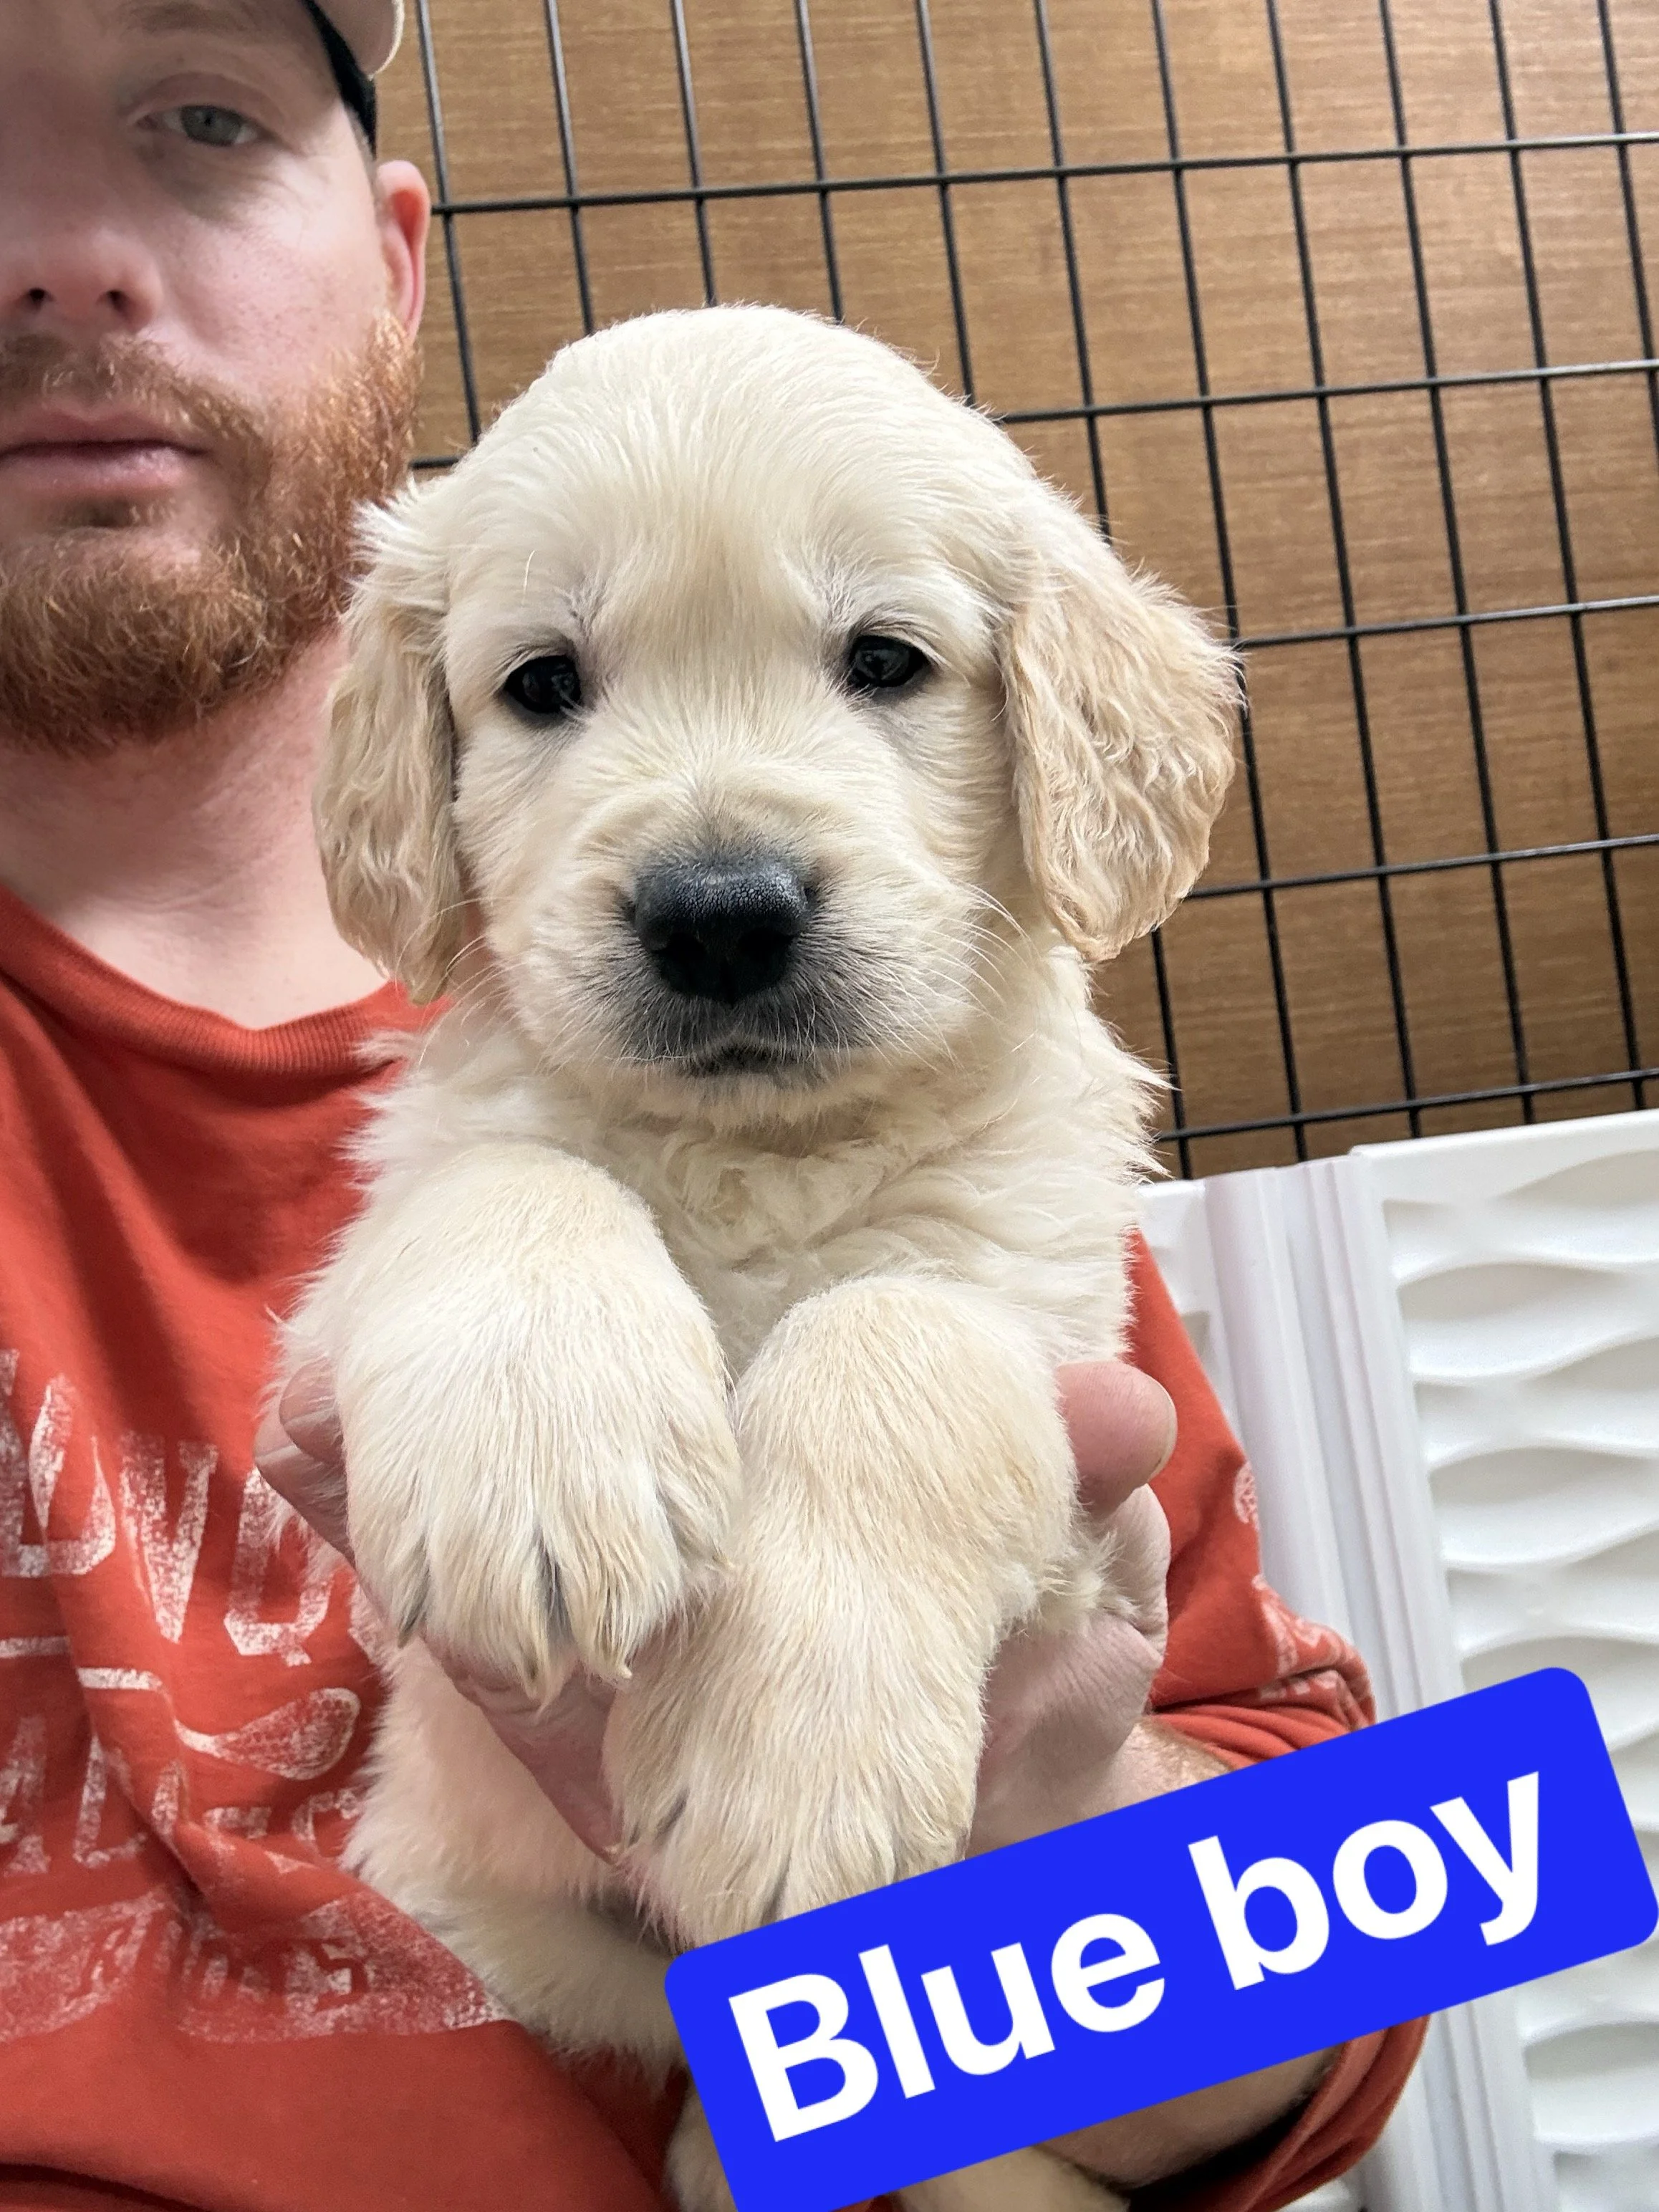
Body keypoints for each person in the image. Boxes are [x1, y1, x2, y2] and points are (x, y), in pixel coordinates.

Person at [0, 1, 1424, 2205]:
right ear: (439, 746)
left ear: (388, 254)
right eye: (552, 689)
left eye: (197, 120)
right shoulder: (482, 1140)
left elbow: (1347, 1986)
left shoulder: (964, 1119)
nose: (68, 256)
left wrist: (1006, 1880)